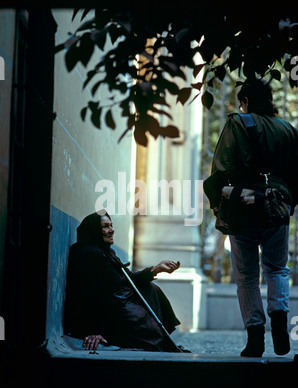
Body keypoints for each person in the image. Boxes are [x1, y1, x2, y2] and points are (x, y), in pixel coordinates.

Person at [203, 78, 298, 357]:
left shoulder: (239, 123)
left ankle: (255, 337)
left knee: (246, 275)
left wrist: (216, 199)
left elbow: (222, 166)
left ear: (245, 101)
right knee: (278, 268)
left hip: (243, 206)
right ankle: (279, 318)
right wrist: (288, 202)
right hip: (277, 206)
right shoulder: (288, 130)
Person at [64, 210, 182, 352]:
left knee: (151, 289)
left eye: (111, 225)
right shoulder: (87, 253)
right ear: (95, 230)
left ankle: (160, 339)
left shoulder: (107, 252)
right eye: (106, 226)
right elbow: (87, 296)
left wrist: (156, 269)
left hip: (119, 301)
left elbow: (128, 278)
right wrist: (92, 330)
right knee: (150, 332)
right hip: (107, 310)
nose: (111, 230)